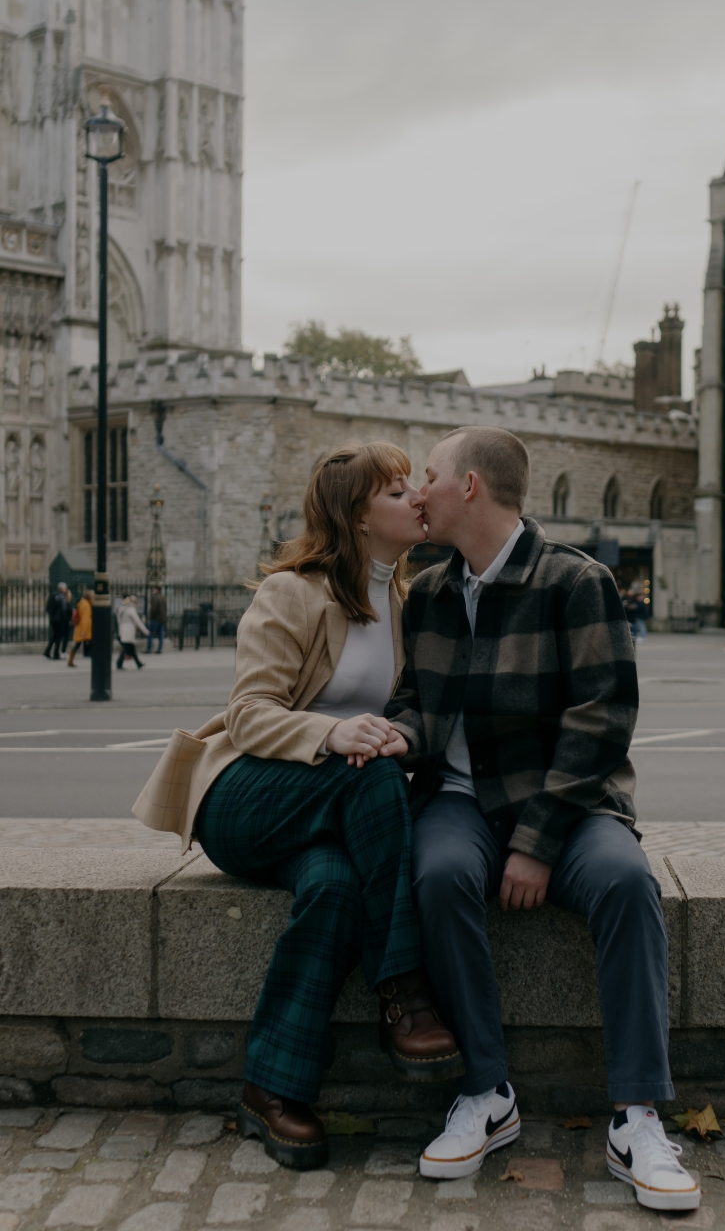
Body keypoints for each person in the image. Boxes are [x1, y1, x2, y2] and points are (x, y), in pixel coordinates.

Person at [384, 426, 699, 1213]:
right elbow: (418, 706)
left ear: (469, 488)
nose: (416, 491)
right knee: (439, 875)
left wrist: (534, 842)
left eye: (428, 475)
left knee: (628, 883)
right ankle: (486, 1091)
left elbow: (601, 719)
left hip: (564, 803)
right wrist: (394, 735)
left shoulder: (574, 581)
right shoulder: (425, 592)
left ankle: (636, 1117)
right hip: (459, 801)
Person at [132, 443, 462, 1171]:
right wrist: (333, 731)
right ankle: (403, 988)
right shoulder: (294, 591)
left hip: (333, 815)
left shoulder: (409, 603)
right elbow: (248, 713)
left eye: (415, 483)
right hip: (247, 799)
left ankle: (271, 1090)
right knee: (368, 774)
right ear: (355, 515)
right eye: (395, 488)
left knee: (334, 889)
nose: (414, 496)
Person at [116, 596, 149, 669]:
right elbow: (138, 621)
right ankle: (119, 663)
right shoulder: (131, 609)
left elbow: (119, 621)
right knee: (126, 647)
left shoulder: (122, 608)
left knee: (131, 647)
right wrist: (145, 630)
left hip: (123, 629)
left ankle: (138, 663)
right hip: (129, 629)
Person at [43, 581, 70, 660]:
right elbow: (63, 608)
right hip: (60, 619)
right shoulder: (61, 596)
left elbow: (48, 607)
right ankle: (56, 654)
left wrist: (52, 614)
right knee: (59, 636)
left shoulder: (53, 595)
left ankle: (47, 651)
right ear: (62, 589)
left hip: (53, 619)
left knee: (55, 635)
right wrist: (66, 619)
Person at [67, 589, 94, 667]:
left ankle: (70, 660)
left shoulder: (83, 603)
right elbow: (85, 618)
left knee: (78, 644)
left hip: (81, 628)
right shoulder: (86, 605)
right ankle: (70, 660)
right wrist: (84, 630)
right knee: (79, 644)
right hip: (84, 629)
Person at [146, 586, 168, 654]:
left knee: (150, 634)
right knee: (160, 635)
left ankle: (149, 648)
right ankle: (159, 649)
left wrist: (151, 617)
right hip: (162, 619)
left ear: (157, 590)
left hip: (156, 618)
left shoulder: (155, 598)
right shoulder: (163, 598)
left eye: (154, 589)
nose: (153, 590)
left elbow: (153, 609)